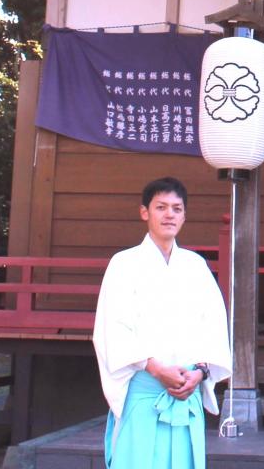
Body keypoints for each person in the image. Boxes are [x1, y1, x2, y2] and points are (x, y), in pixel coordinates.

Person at [93, 177, 232, 468]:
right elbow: (113, 328)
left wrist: (201, 373)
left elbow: (214, 326)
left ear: (184, 215)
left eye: (177, 208)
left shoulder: (196, 266)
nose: (169, 214)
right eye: (161, 207)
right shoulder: (124, 263)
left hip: (186, 392)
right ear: (145, 212)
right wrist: (155, 368)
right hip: (145, 391)